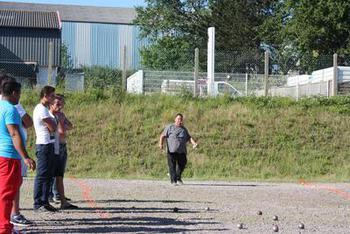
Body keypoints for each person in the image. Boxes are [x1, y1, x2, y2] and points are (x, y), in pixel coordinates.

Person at [0, 80, 36, 234]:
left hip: (2, 155)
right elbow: (14, 133)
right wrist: (26, 157)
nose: (20, 96)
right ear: (14, 93)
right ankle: (4, 228)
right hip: (9, 156)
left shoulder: (1, 106)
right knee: (7, 193)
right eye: (19, 93)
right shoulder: (11, 109)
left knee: (5, 191)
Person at [49, 95, 78, 210]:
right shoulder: (53, 116)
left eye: (61, 104)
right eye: (57, 104)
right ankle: (52, 195)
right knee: (54, 173)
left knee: (59, 173)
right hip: (56, 145)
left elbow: (70, 126)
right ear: (52, 104)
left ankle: (58, 195)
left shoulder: (61, 115)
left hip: (62, 145)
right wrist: (62, 122)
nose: (60, 106)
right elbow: (61, 131)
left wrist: (63, 122)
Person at [32, 86, 57, 212]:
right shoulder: (41, 109)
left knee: (48, 175)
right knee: (42, 175)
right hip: (43, 144)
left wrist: (53, 124)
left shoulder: (46, 109)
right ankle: (38, 203)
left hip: (49, 143)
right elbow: (53, 127)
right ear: (45, 95)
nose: (54, 98)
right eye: (52, 96)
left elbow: (53, 126)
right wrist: (54, 124)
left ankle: (45, 201)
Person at [159, 113, 198, 185]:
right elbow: (162, 136)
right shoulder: (169, 127)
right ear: (175, 119)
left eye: (181, 119)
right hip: (171, 150)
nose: (179, 120)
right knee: (172, 165)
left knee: (183, 163)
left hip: (181, 151)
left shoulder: (184, 129)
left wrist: (194, 143)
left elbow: (189, 137)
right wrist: (161, 144)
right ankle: (173, 181)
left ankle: (177, 177)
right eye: (178, 119)